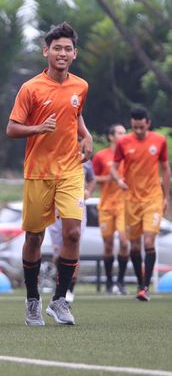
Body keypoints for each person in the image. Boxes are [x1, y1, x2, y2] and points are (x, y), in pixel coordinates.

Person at [6, 22, 92, 326]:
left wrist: (87, 135)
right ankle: (32, 299)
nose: (62, 53)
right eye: (57, 48)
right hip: (39, 172)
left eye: (68, 49)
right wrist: (37, 128)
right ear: (46, 51)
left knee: (72, 232)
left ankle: (59, 300)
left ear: (74, 54)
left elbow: (76, 113)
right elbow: (12, 128)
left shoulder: (80, 86)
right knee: (34, 237)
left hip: (70, 170)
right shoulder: (30, 88)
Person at [110, 107, 170, 302]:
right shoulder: (123, 142)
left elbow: (165, 169)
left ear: (148, 124)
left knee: (149, 242)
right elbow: (114, 166)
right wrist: (118, 180)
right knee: (134, 247)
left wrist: (166, 197)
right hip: (131, 200)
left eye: (141, 127)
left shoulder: (159, 141)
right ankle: (139, 283)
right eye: (135, 127)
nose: (138, 131)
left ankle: (144, 287)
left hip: (153, 197)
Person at [46, 160, 95, 302]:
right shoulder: (54, 155)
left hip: (76, 205)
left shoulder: (84, 159)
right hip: (55, 208)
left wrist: (88, 191)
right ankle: (61, 284)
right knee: (58, 254)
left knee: (74, 244)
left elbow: (92, 179)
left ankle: (69, 290)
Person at [92, 124, 129, 294]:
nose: (124, 135)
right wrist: (111, 177)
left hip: (124, 205)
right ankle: (109, 281)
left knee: (124, 242)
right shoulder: (101, 156)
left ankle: (121, 281)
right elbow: (93, 178)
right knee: (108, 245)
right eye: (120, 133)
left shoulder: (129, 155)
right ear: (111, 137)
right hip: (106, 205)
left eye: (124, 132)